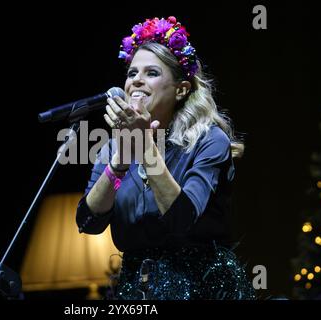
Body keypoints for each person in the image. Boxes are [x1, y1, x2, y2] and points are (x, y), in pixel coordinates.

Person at [76, 16, 255, 300]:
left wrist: (144, 145)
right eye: (132, 72)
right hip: (136, 291)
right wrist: (120, 161)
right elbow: (88, 222)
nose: (136, 80)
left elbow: (180, 219)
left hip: (202, 288)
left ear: (181, 89)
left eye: (151, 73)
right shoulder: (113, 147)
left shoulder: (209, 141)